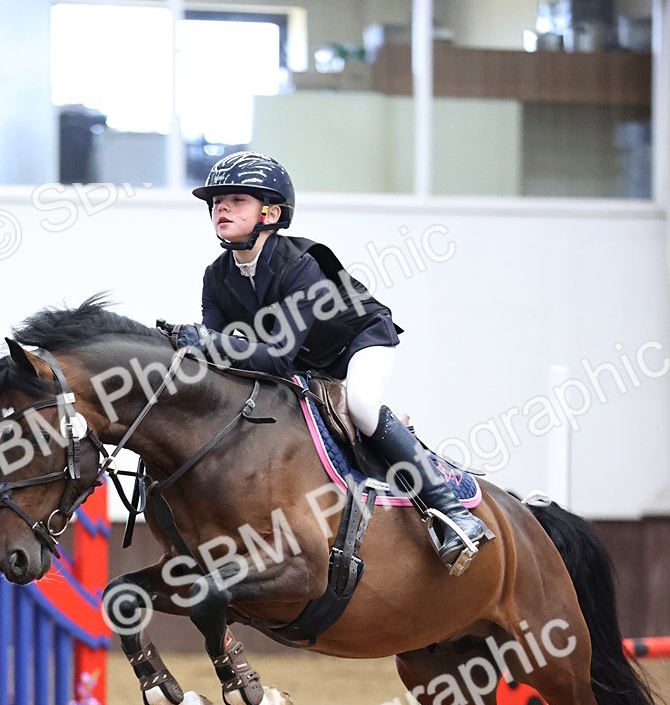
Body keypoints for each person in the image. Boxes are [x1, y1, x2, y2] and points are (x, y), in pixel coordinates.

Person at [176, 151, 493, 575]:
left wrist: (206, 342)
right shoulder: (217, 276)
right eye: (216, 201)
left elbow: (275, 356)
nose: (221, 208)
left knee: (360, 406)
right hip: (303, 361)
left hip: (360, 339)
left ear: (270, 213)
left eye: (237, 199)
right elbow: (218, 355)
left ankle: (454, 512)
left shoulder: (301, 266)